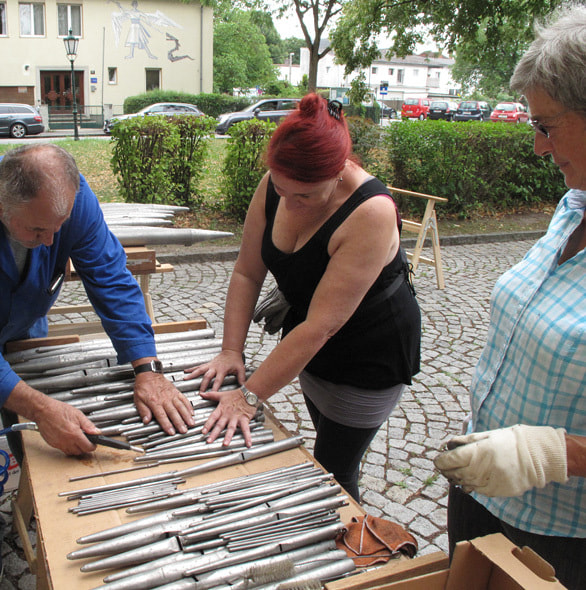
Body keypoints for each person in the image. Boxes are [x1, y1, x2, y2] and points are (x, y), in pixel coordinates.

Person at [0, 143, 194, 589]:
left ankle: (41, 501)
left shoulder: (71, 198)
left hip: (19, 315)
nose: (53, 243)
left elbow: (110, 276)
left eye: (59, 227)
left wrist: (147, 368)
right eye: (38, 230)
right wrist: (40, 408)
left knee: (34, 416)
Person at [186, 94, 421, 502]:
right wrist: (230, 350)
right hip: (309, 346)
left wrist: (248, 397)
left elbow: (320, 327)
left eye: (306, 197)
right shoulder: (277, 183)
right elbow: (247, 271)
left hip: (369, 356)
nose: (290, 204)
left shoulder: (371, 212)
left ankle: (351, 532)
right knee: (324, 440)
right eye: (283, 190)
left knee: (335, 471)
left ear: (338, 172)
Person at [433, 6, 586, 588]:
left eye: (547, 125)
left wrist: (549, 454)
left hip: (560, 538)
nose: (540, 147)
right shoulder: (574, 204)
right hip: (484, 495)